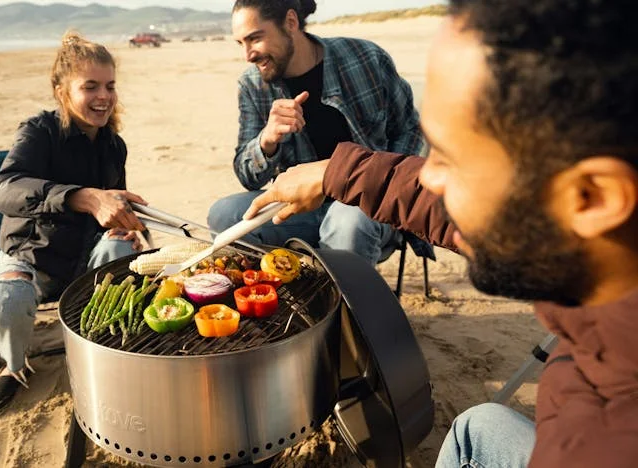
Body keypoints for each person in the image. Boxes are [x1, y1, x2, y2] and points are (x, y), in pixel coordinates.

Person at [245, 0, 638, 466]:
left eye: (450, 159)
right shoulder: (600, 271)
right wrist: (337, 171)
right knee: (478, 426)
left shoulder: (604, 441)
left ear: (593, 197)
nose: (430, 178)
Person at [0, 31, 148, 417]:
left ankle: (102, 345)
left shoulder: (113, 145)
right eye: (90, 87)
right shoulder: (39, 132)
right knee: (10, 300)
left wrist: (126, 225)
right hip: (29, 255)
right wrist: (81, 196)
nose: (103, 96)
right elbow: (4, 189)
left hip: (83, 258)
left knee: (123, 251)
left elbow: (112, 203)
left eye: (110, 86)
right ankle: (14, 366)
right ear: (61, 91)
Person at [207, 0, 425, 265]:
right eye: (240, 43)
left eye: (255, 38)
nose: (248, 55)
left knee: (347, 222)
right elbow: (247, 177)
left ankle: (344, 304)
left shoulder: (365, 58)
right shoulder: (252, 85)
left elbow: (410, 129)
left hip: (367, 203)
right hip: (298, 208)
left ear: (290, 22)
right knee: (224, 215)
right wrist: (267, 140)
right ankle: (280, 289)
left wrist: (384, 183)